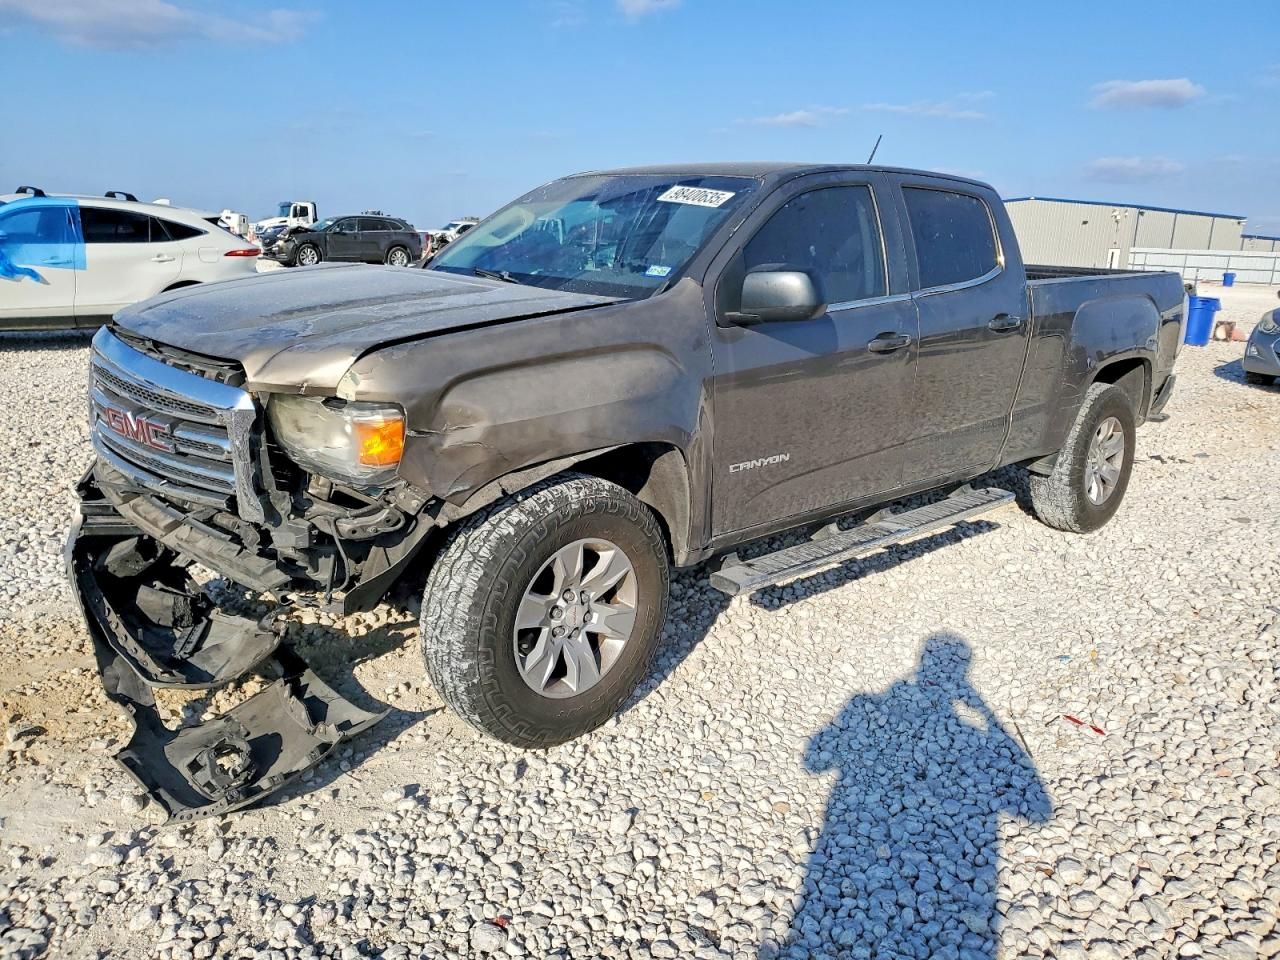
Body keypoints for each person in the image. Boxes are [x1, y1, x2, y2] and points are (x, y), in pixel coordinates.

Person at [782, 633, 1052, 959]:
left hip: (827, 856)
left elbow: (813, 761)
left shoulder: (866, 705)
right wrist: (987, 716)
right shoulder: (971, 727)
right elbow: (1039, 811)